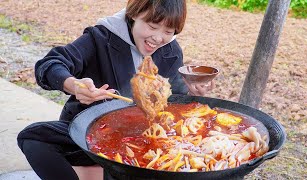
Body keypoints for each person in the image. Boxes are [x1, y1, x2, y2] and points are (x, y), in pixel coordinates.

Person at [17, 0, 214, 179]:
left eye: (168, 32)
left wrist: (192, 95)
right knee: (33, 138)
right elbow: (50, 64)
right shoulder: (100, 38)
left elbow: (173, 100)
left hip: (146, 136)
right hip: (92, 132)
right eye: (152, 26)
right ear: (135, 13)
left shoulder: (171, 52)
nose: (158, 38)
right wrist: (74, 85)